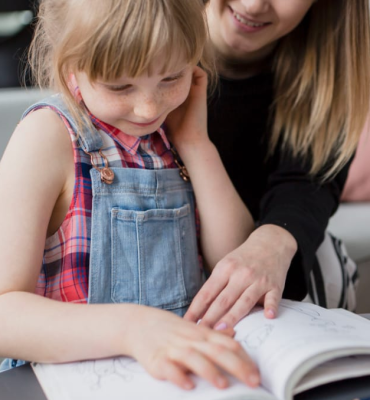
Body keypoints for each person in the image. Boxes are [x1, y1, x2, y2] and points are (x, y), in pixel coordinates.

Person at [0, 0, 261, 390]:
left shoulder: (174, 134)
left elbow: (234, 261)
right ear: (71, 65)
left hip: (174, 382)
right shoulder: (47, 138)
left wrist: (196, 144)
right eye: (120, 86)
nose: (147, 107)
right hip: (65, 385)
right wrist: (134, 329)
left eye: (172, 78)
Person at [183, 0, 370, 330]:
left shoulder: (331, 67)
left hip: (270, 228)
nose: (253, 6)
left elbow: (310, 182)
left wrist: (272, 243)